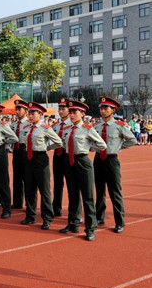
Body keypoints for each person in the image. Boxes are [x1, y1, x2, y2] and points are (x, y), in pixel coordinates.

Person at [59, 100, 106, 241]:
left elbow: (101, 145)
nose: (72, 114)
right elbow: (63, 143)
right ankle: (72, 224)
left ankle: (91, 228)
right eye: (71, 112)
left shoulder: (87, 128)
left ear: (82, 113)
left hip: (83, 162)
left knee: (88, 196)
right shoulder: (67, 128)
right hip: (69, 161)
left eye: (75, 112)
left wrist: (88, 149)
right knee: (73, 195)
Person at [94, 96, 137, 233]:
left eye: (106, 108)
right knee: (99, 191)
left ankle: (119, 222)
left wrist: (119, 147)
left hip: (111, 160)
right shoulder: (96, 126)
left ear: (113, 109)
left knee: (115, 192)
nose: (103, 111)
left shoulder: (119, 126)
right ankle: (99, 217)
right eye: (101, 108)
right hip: (98, 159)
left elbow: (132, 140)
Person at [20, 102, 63, 230]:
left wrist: (47, 147)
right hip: (29, 158)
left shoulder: (45, 128)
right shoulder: (27, 127)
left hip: (40, 158)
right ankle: (30, 216)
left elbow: (59, 141)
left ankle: (47, 218)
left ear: (40, 114)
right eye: (29, 113)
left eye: (33, 113)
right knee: (30, 188)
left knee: (44, 190)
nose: (30, 115)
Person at [52, 98, 73, 217]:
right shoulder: (55, 125)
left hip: (68, 155)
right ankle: (56, 207)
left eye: (63, 109)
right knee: (57, 182)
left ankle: (73, 210)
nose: (60, 111)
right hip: (57, 155)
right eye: (59, 109)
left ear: (69, 110)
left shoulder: (72, 125)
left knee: (72, 184)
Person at [10, 99, 29, 209]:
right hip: (16, 151)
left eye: (19, 109)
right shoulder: (13, 125)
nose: (17, 111)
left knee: (27, 177)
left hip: (25, 150)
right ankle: (17, 202)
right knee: (16, 177)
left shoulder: (29, 123)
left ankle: (29, 203)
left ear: (26, 110)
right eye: (16, 109)